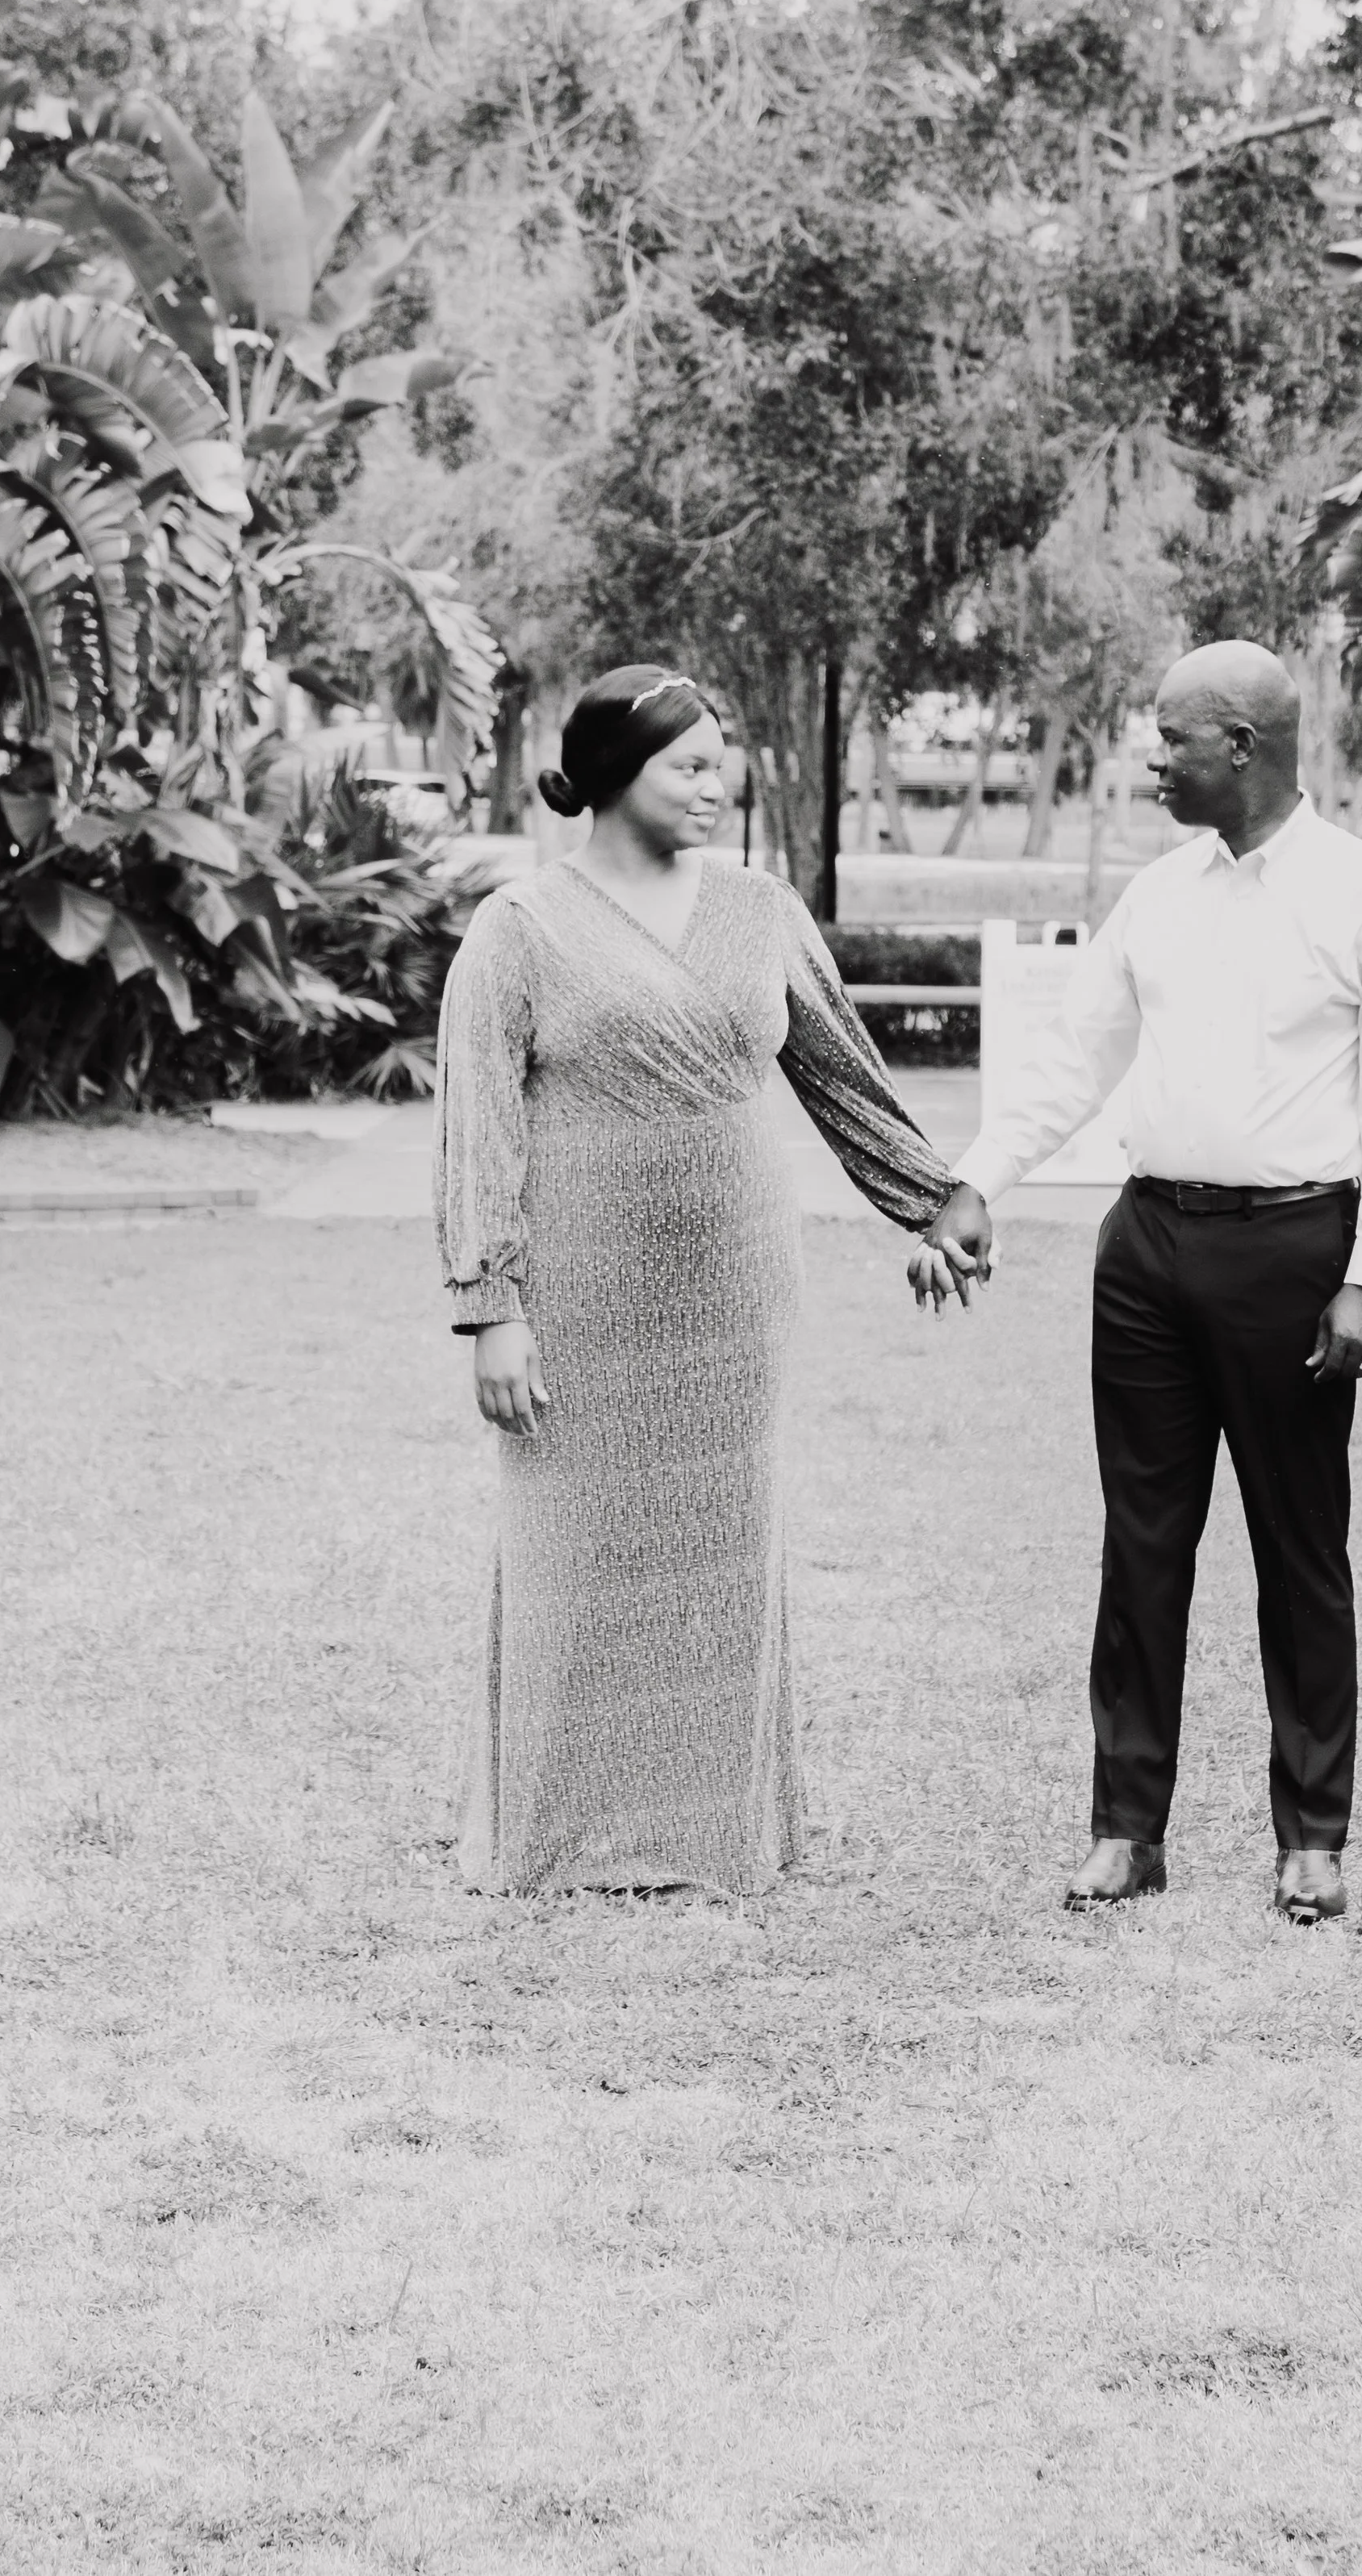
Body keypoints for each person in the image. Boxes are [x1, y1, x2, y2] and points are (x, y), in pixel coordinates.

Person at [913, 640, 1362, 1923]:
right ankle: (1125, 1830)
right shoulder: (1158, 897)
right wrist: (979, 1181)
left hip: (1294, 1252)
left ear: (1243, 747)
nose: (1152, 760)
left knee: (1299, 1550)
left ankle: (1312, 1837)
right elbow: (1074, 1060)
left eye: (1172, 739)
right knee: (1142, 1543)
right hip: (1147, 1248)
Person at [435, 665, 983, 1897]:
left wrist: (935, 1197)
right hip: (581, 1288)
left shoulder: (759, 909)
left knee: (724, 1549)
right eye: (688, 765)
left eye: (720, 764)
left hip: (739, 1283)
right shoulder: (521, 927)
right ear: (613, 774)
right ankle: (563, 1833)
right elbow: (481, 1129)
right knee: (575, 1549)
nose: (714, 786)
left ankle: (709, 1831)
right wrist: (491, 1308)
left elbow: (843, 1075)